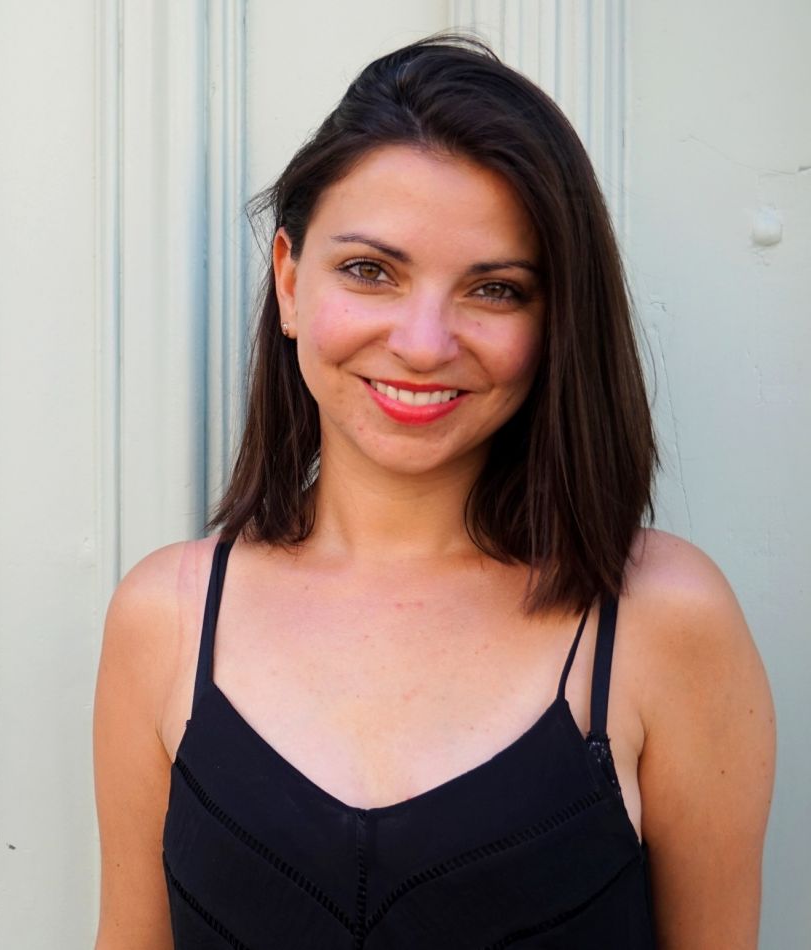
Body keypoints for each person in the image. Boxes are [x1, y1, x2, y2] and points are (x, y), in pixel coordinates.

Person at [93, 35, 775, 949]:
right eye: (371, 271)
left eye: (494, 290)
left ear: (556, 321)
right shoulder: (166, 618)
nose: (422, 343)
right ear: (290, 281)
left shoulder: (663, 620)